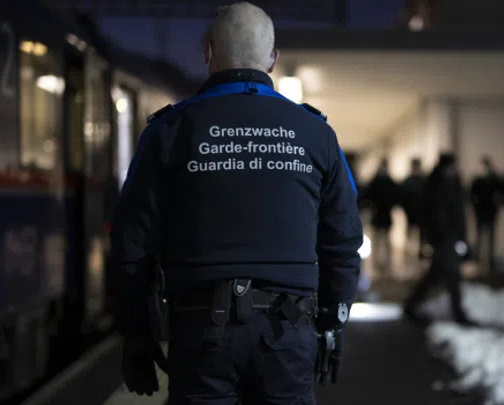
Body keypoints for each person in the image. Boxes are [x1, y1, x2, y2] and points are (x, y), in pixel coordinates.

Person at [108, 4, 363, 404]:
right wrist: (333, 320)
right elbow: (343, 239)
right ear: (273, 59)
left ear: (207, 51)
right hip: (289, 331)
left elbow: (131, 242)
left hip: (200, 333)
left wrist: (135, 334)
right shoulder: (317, 134)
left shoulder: (170, 130)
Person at [403, 154, 473, 326]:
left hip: (447, 237)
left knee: (435, 275)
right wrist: (446, 234)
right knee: (452, 276)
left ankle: (411, 305)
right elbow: (441, 214)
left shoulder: (449, 184)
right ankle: (458, 313)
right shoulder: (440, 186)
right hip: (445, 238)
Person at [363, 159, 398, 278]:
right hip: (379, 216)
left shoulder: (386, 182)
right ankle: (377, 264)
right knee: (378, 241)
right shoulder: (379, 182)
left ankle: (386, 264)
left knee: (385, 241)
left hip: (384, 216)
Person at [470, 155, 501, 274]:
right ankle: (478, 261)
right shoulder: (477, 180)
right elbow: (471, 196)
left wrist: (495, 208)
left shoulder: (494, 180)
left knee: (490, 239)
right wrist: (476, 208)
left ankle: (490, 261)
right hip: (480, 214)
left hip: (490, 214)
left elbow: (499, 196)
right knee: (480, 239)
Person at [399, 158, 428, 264]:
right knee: (411, 236)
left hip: (422, 215)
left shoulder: (423, 181)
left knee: (421, 237)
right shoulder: (410, 181)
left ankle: (419, 256)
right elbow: (403, 198)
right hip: (411, 215)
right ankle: (411, 256)